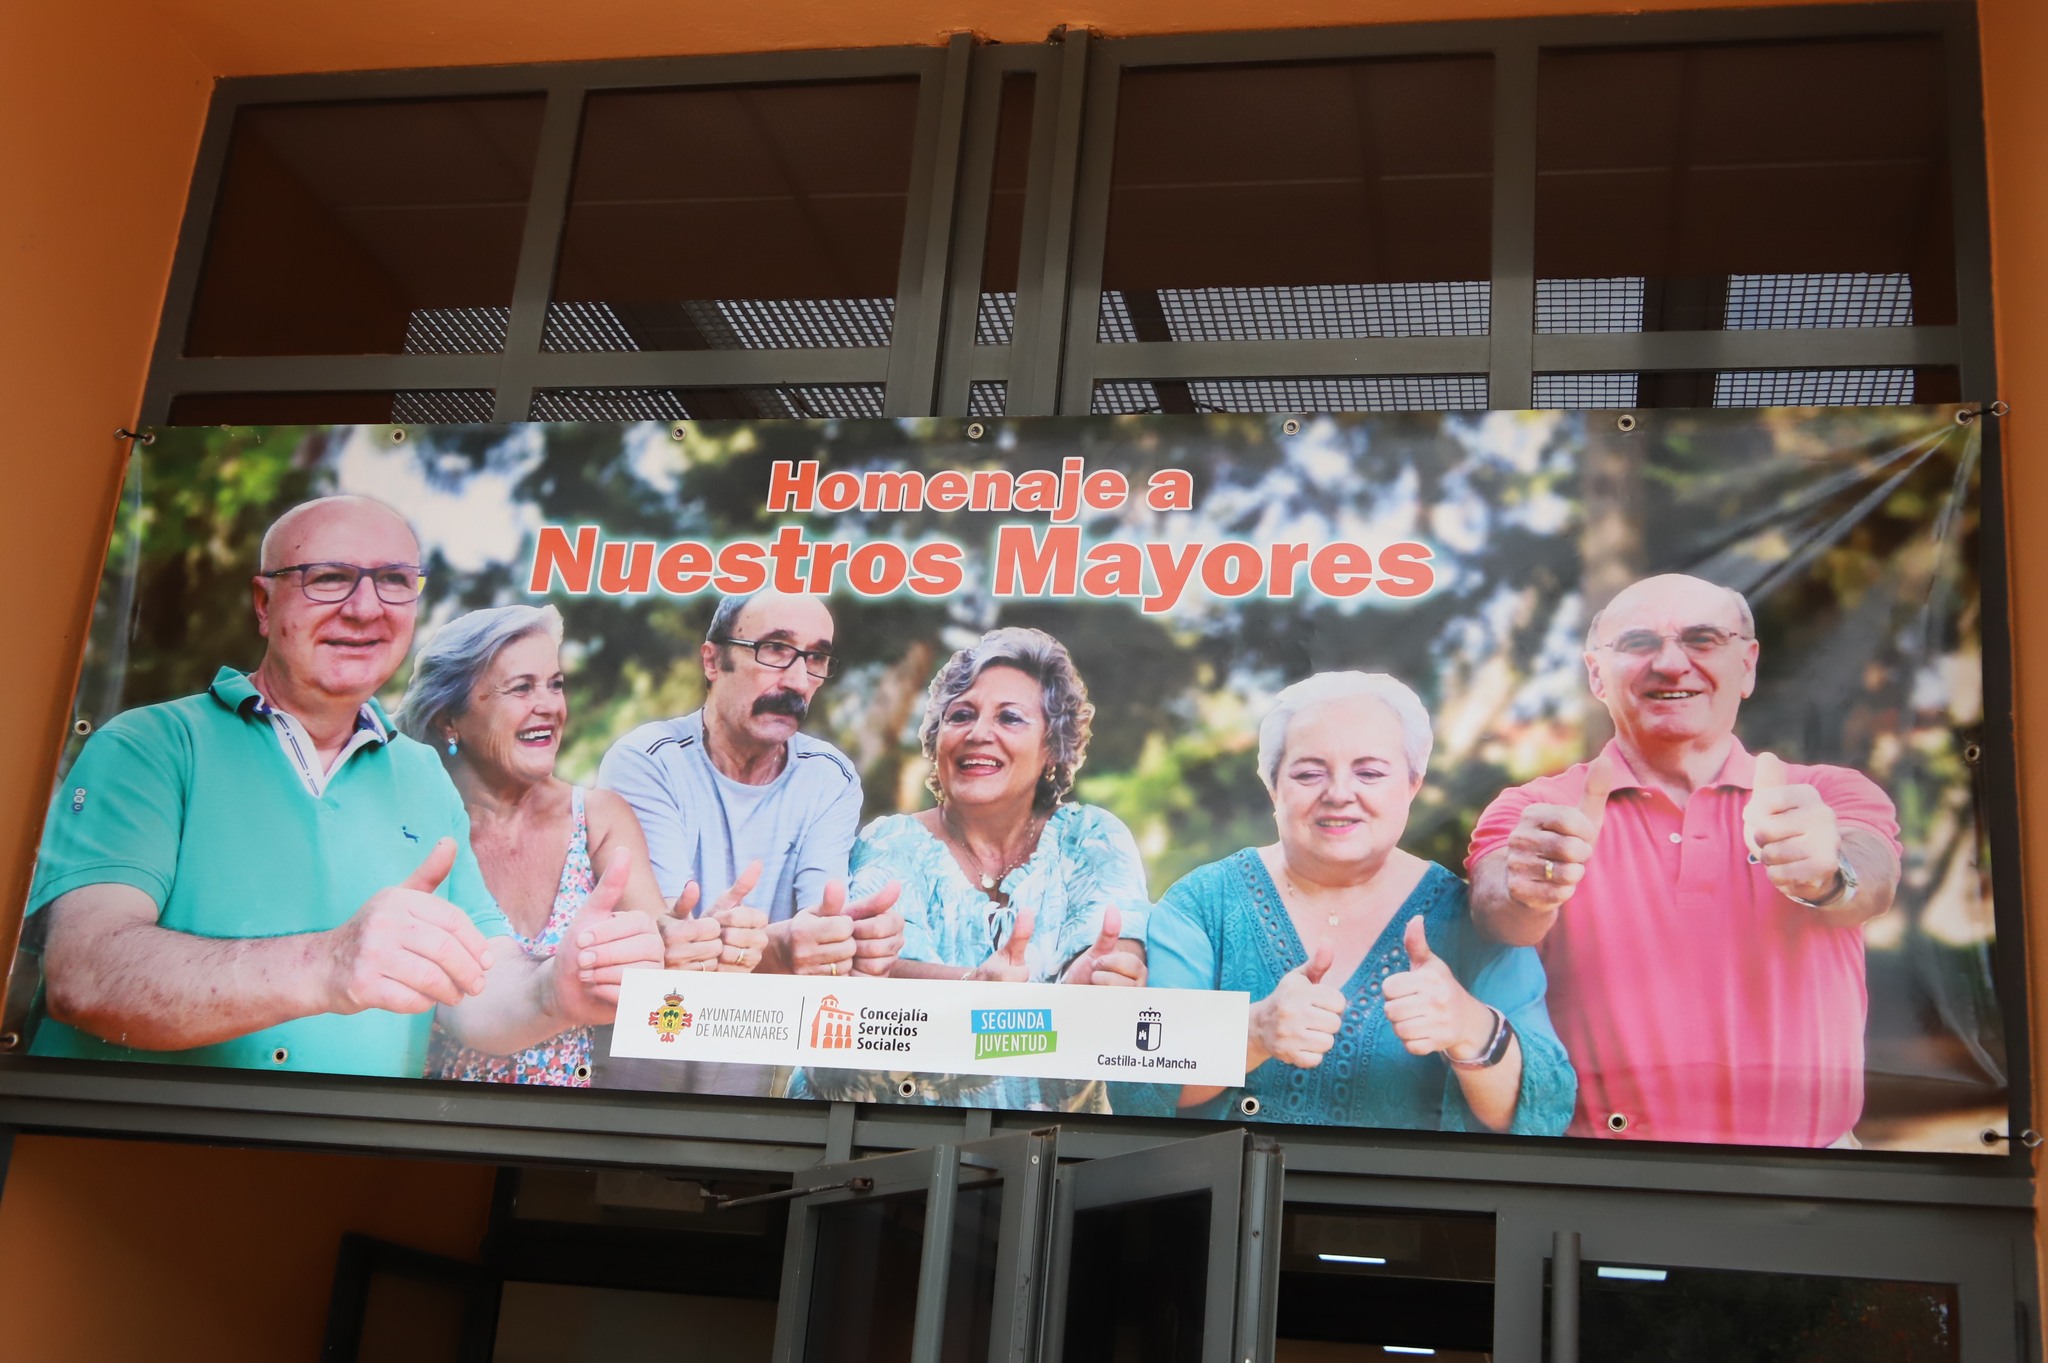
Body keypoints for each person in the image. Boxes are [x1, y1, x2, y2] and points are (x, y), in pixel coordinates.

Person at [23, 496, 661, 1078]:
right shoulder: (151, 744)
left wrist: (556, 991)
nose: (364, 608)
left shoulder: (421, 774)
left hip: (351, 1169)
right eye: (327, 578)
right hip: (123, 1164)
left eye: (393, 581)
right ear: (264, 604)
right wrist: (327, 964)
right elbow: (86, 974)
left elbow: (477, 992)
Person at [1467, 573, 1903, 1147]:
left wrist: (1829, 874)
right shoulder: (1535, 809)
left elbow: (1870, 877)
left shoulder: (1828, 794)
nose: (1671, 665)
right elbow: (1495, 907)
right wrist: (1526, 885)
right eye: (1639, 643)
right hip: (1595, 1180)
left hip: (1813, 1184)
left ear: (1746, 666)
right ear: (1597, 673)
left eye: (1702, 639)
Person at [1125, 672, 1575, 1133]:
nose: (1339, 793)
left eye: (1370, 772)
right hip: (1229, 1198)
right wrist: (1256, 1032)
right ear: (1273, 788)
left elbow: (1547, 1112)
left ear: (1412, 784)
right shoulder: (1204, 903)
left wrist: (1469, 1027)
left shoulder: (1472, 921)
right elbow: (1133, 1084)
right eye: (1308, 773)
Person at [790, 627, 1151, 1113]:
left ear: (1052, 747)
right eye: (961, 715)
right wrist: (986, 994)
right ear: (938, 743)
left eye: (1010, 717)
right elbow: (879, 979)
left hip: (1054, 1162)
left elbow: (1106, 974)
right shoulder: (890, 841)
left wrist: (1096, 983)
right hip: (877, 1146)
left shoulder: (1092, 839)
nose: (979, 732)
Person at [398, 604, 729, 1087]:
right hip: (428, 1131)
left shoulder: (597, 818)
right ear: (450, 719)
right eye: (522, 687)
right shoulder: (411, 824)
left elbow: (655, 943)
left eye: (555, 684)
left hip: (563, 1133)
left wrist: (678, 947)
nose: (551, 705)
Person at [595, 589, 904, 1095]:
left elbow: (821, 920)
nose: (799, 680)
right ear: (713, 660)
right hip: (643, 1050)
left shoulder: (829, 777)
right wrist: (784, 951)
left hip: (753, 1056)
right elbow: (670, 946)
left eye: (817, 658)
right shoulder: (646, 761)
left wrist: (851, 939)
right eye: (776, 649)